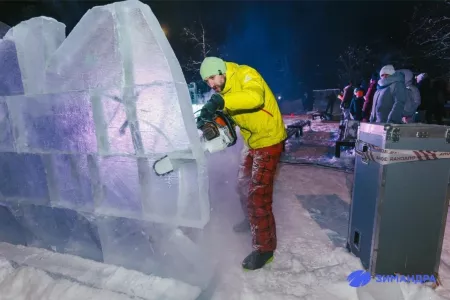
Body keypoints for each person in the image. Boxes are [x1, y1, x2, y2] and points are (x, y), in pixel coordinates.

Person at [197, 57, 287, 270]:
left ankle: (264, 250)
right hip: (253, 141)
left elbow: (254, 98)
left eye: (212, 77)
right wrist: (210, 122)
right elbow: (227, 119)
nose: (211, 84)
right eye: (206, 81)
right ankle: (253, 221)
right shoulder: (222, 93)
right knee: (242, 185)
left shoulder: (246, 74)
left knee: (258, 195)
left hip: (270, 139)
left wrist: (220, 103)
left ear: (221, 71)